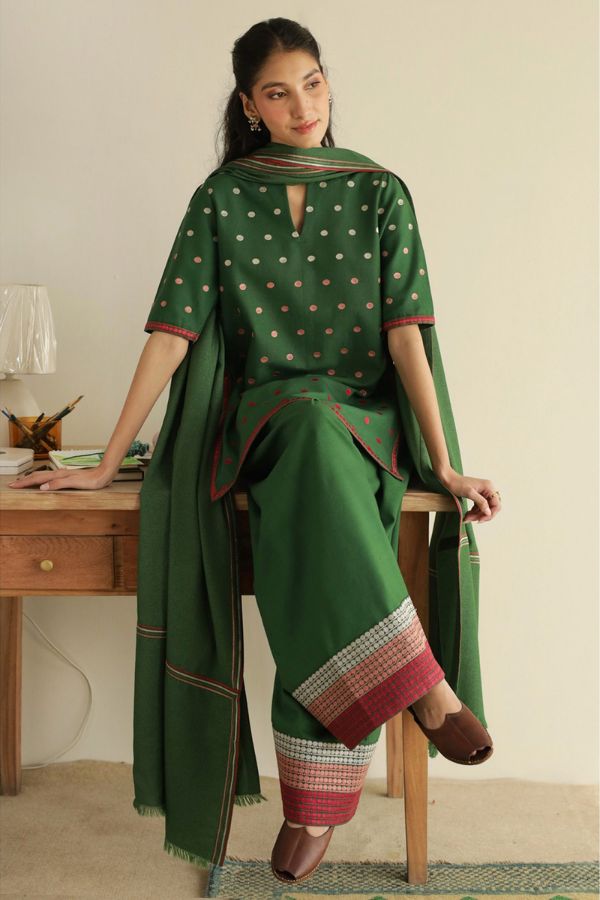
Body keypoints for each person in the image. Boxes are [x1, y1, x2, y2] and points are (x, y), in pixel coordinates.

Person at [8, 17, 501, 885]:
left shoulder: (380, 190)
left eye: (312, 82)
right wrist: (108, 456)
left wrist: (444, 461)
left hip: (363, 426)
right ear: (249, 105)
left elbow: (406, 339)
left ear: (328, 83)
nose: (301, 104)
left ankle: (316, 803)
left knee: (315, 526)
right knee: (306, 431)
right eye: (278, 91)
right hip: (265, 424)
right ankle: (421, 688)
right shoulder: (222, 198)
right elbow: (169, 334)